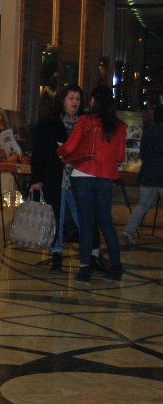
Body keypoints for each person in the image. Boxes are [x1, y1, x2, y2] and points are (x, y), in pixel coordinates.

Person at [57, 86, 126, 281]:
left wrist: (60, 152)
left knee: (86, 223)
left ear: (94, 101)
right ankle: (116, 267)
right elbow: (120, 156)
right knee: (106, 223)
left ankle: (85, 269)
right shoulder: (119, 126)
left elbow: (70, 146)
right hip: (106, 178)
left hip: (82, 175)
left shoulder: (85, 120)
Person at [31, 84, 85, 272]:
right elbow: (38, 152)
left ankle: (90, 253)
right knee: (57, 217)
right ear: (62, 100)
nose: (75, 103)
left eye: (77, 99)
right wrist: (36, 178)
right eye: (71, 98)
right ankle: (56, 253)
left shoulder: (84, 123)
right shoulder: (49, 122)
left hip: (79, 177)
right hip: (56, 177)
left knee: (81, 216)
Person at [122, 104, 163, 246]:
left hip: (149, 175)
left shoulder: (149, 132)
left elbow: (143, 155)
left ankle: (129, 231)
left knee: (142, 206)